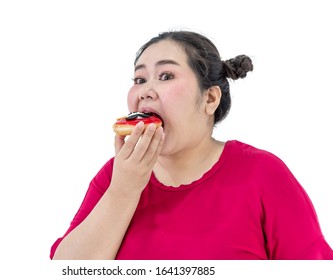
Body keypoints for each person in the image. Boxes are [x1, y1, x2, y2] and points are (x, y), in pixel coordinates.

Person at [50, 30, 333, 260]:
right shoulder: (115, 176)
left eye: (166, 76)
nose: (145, 91)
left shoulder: (262, 174)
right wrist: (124, 190)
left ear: (210, 99)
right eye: (139, 79)